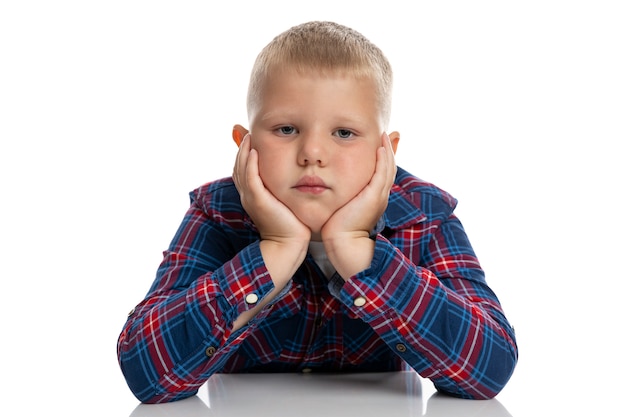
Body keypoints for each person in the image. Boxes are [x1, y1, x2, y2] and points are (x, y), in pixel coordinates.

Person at [117, 21, 518, 404]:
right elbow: (147, 373)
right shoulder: (216, 213)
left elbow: (490, 368)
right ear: (245, 144)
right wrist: (275, 249)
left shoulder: (425, 215)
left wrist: (357, 250)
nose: (312, 153)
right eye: (287, 129)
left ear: (387, 152)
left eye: (344, 133)